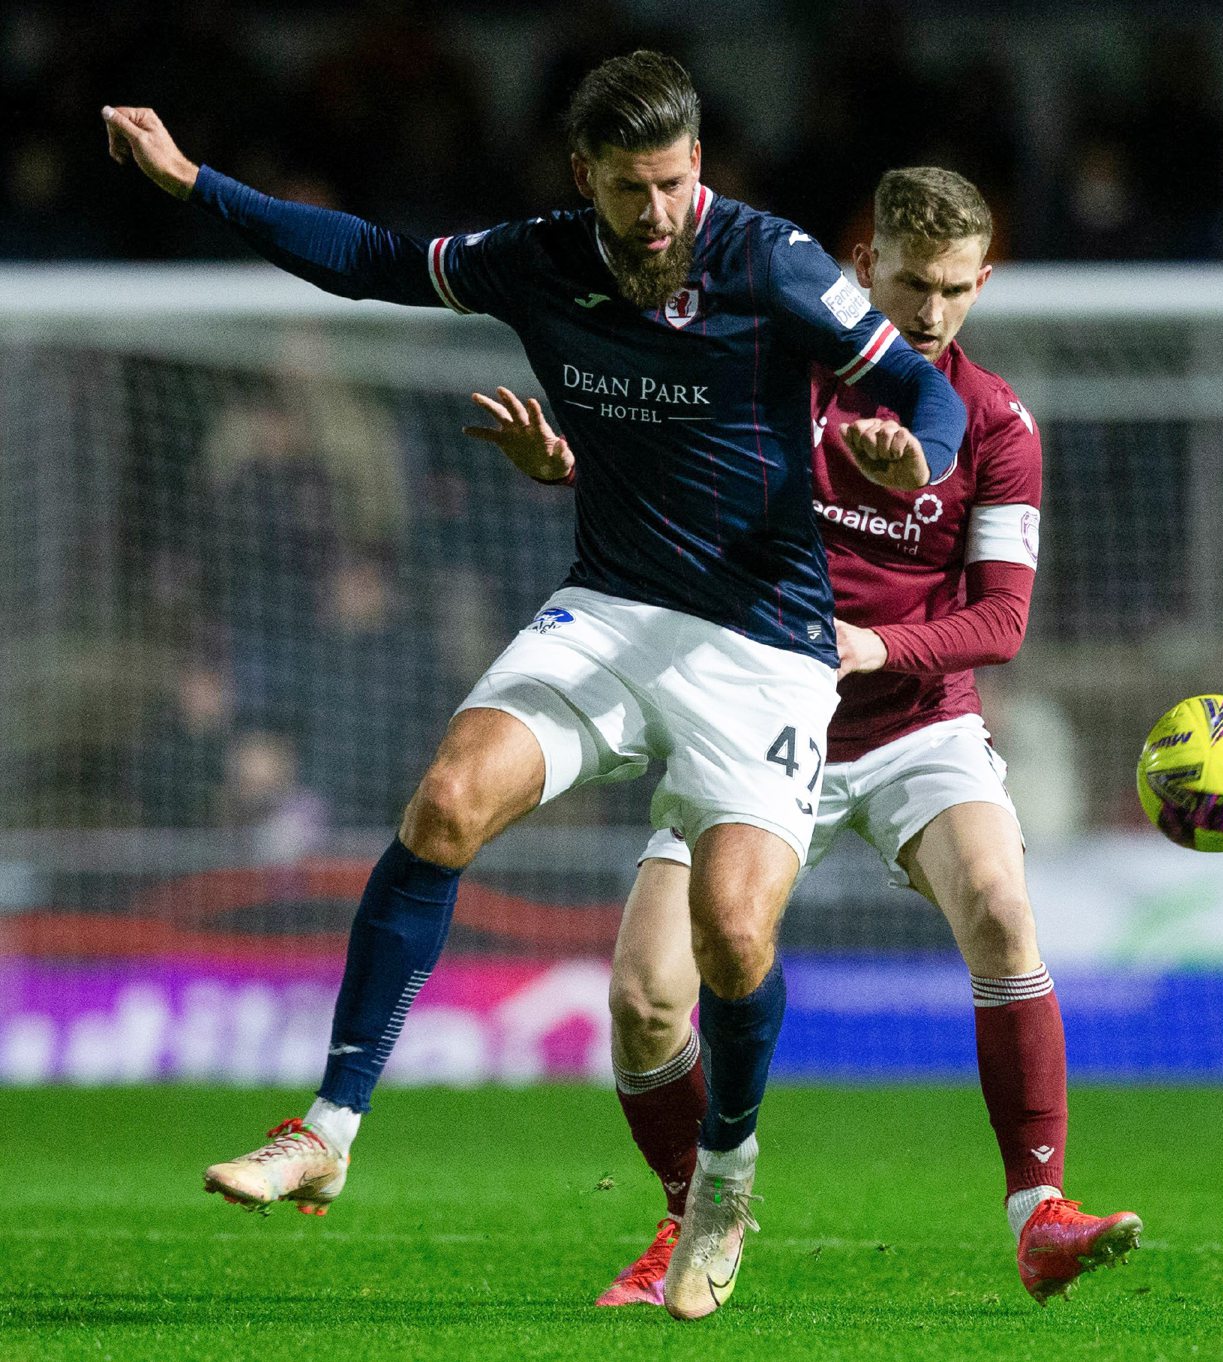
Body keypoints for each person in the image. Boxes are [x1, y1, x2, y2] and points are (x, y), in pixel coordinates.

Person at [102, 51, 967, 1321]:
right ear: (587, 182)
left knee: (733, 939)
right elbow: (375, 261)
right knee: (445, 804)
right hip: (612, 610)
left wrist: (911, 457)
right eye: (633, 190)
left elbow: (921, 390)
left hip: (766, 645)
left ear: (699, 171)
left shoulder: (771, 259)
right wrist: (193, 184)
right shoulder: (542, 254)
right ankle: (331, 1124)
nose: (662, 214)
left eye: (676, 183)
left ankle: (723, 1180)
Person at [471, 167, 1141, 1308]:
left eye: (954, 289)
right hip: (749, 712)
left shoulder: (997, 428)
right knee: (641, 997)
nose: (929, 312)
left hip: (913, 728)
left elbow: (1003, 620)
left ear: (985, 281)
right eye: (909, 281)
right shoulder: (780, 367)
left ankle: (1041, 1214)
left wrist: (875, 647)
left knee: (1001, 902)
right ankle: (695, 1220)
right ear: (864, 264)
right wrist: (573, 466)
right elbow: (661, 478)